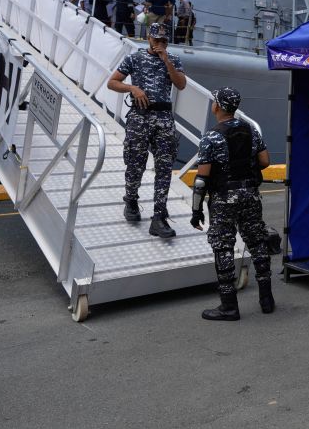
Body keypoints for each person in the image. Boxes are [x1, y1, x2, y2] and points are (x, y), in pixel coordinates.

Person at [191, 86, 275, 320]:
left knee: (223, 247)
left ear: (217, 106)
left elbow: (201, 179)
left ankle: (229, 306)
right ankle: (266, 299)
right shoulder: (251, 130)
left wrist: (196, 210)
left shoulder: (212, 136)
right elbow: (265, 161)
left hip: (224, 199)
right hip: (250, 194)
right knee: (257, 241)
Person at [106, 22, 186, 238]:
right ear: (148, 39)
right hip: (140, 118)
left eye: (164, 40)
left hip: (164, 119)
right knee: (135, 163)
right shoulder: (135, 58)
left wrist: (166, 61)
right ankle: (131, 200)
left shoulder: (173, 60)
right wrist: (132, 88)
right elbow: (112, 83)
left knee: (164, 168)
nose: (160, 43)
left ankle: (159, 217)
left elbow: (181, 84)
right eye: (156, 39)